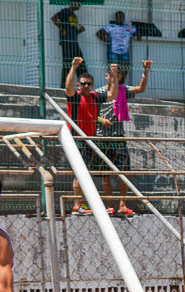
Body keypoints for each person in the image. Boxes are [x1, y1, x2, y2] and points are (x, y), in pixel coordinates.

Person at [97, 60, 151, 217]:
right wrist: (101, 120)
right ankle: (109, 205)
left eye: (118, 74)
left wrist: (145, 71)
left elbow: (141, 88)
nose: (115, 76)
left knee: (124, 170)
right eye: (112, 74)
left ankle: (122, 204)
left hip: (118, 136)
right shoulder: (99, 93)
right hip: (102, 137)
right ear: (106, 75)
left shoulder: (123, 90)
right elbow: (91, 113)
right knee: (105, 172)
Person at [64, 57, 110, 216]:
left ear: (92, 86)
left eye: (88, 84)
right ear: (78, 85)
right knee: (80, 172)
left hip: (90, 141)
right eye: (82, 83)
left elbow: (112, 94)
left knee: (87, 173)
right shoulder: (75, 97)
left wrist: (115, 77)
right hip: (77, 140)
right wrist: (73, 67)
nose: (85, 86)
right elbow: (67, 87)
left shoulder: (95, 98)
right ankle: (78, 205)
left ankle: (83, 204)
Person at [52, 1, 86, 90]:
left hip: (74, 42)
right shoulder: (65, 11)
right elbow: (54, 18)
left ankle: (83, 84)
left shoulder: (74, 16)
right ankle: (64, 86)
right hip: (66, 42)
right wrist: (62, 28)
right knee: (67, 64)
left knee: (80, 63)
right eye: (78, 3)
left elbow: (73, 31)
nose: (79, 5)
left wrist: (79, 31)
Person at [97, 12, 136, 81]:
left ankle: (121, 83)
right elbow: (99, 33)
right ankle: (113, 84)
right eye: (118, 17)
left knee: (125, 68)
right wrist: (107, 41)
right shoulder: (111, 26)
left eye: (122, 17)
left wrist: (138, 35)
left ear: (124, 18)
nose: (120, 18)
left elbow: (136, 32)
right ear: (116, 18)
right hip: (113, 51)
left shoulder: (128, 27)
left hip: (124, 51)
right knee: (114, 69)